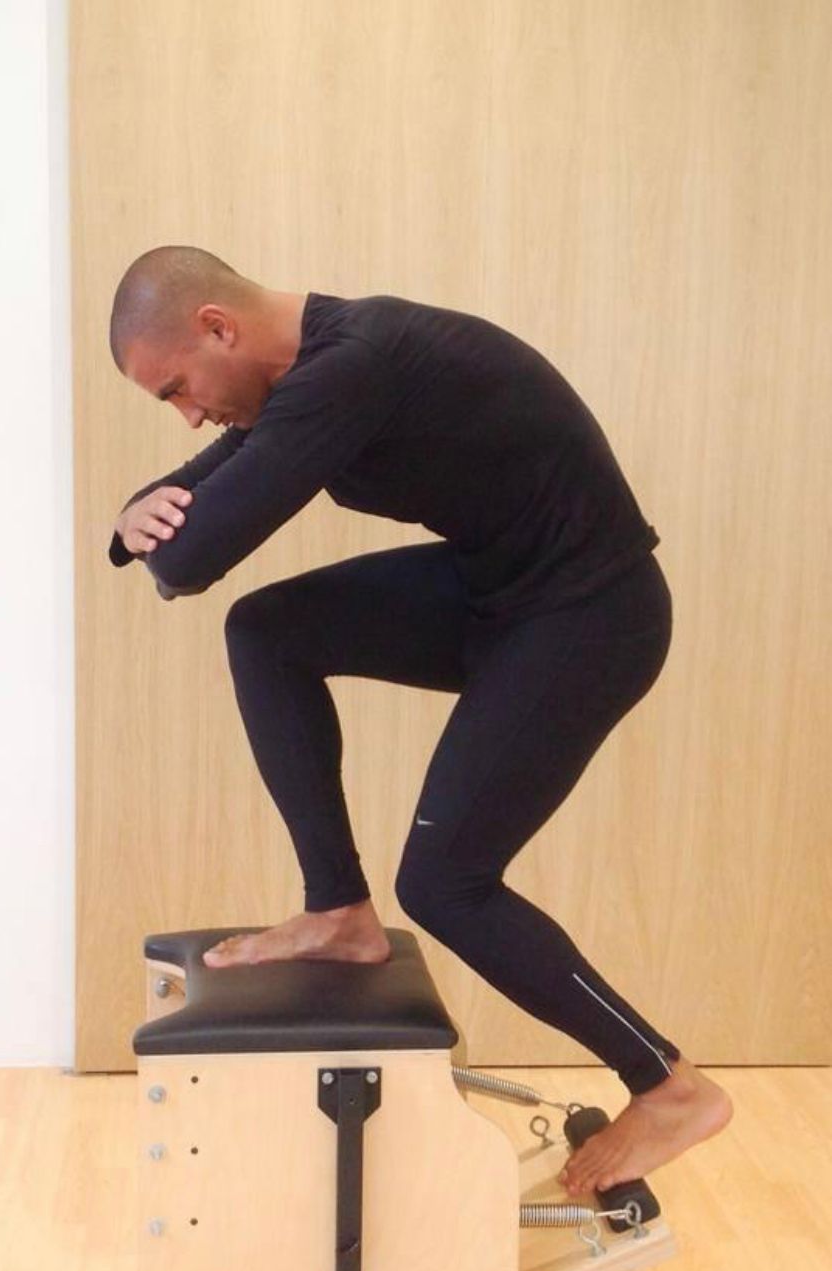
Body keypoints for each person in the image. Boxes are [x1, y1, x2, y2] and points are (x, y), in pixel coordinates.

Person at [106, 244, 731, 1198]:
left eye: (177, 388)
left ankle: (670, 1085)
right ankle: (337, 912)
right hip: (500, 592)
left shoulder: (355, 364)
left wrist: (157, 530)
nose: (189, 413)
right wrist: (132, 510)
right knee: (269, 633)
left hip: (590, 615)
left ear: (218, 328)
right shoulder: (304, 375)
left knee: (445, 883)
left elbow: (189, 558)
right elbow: (188, 498)